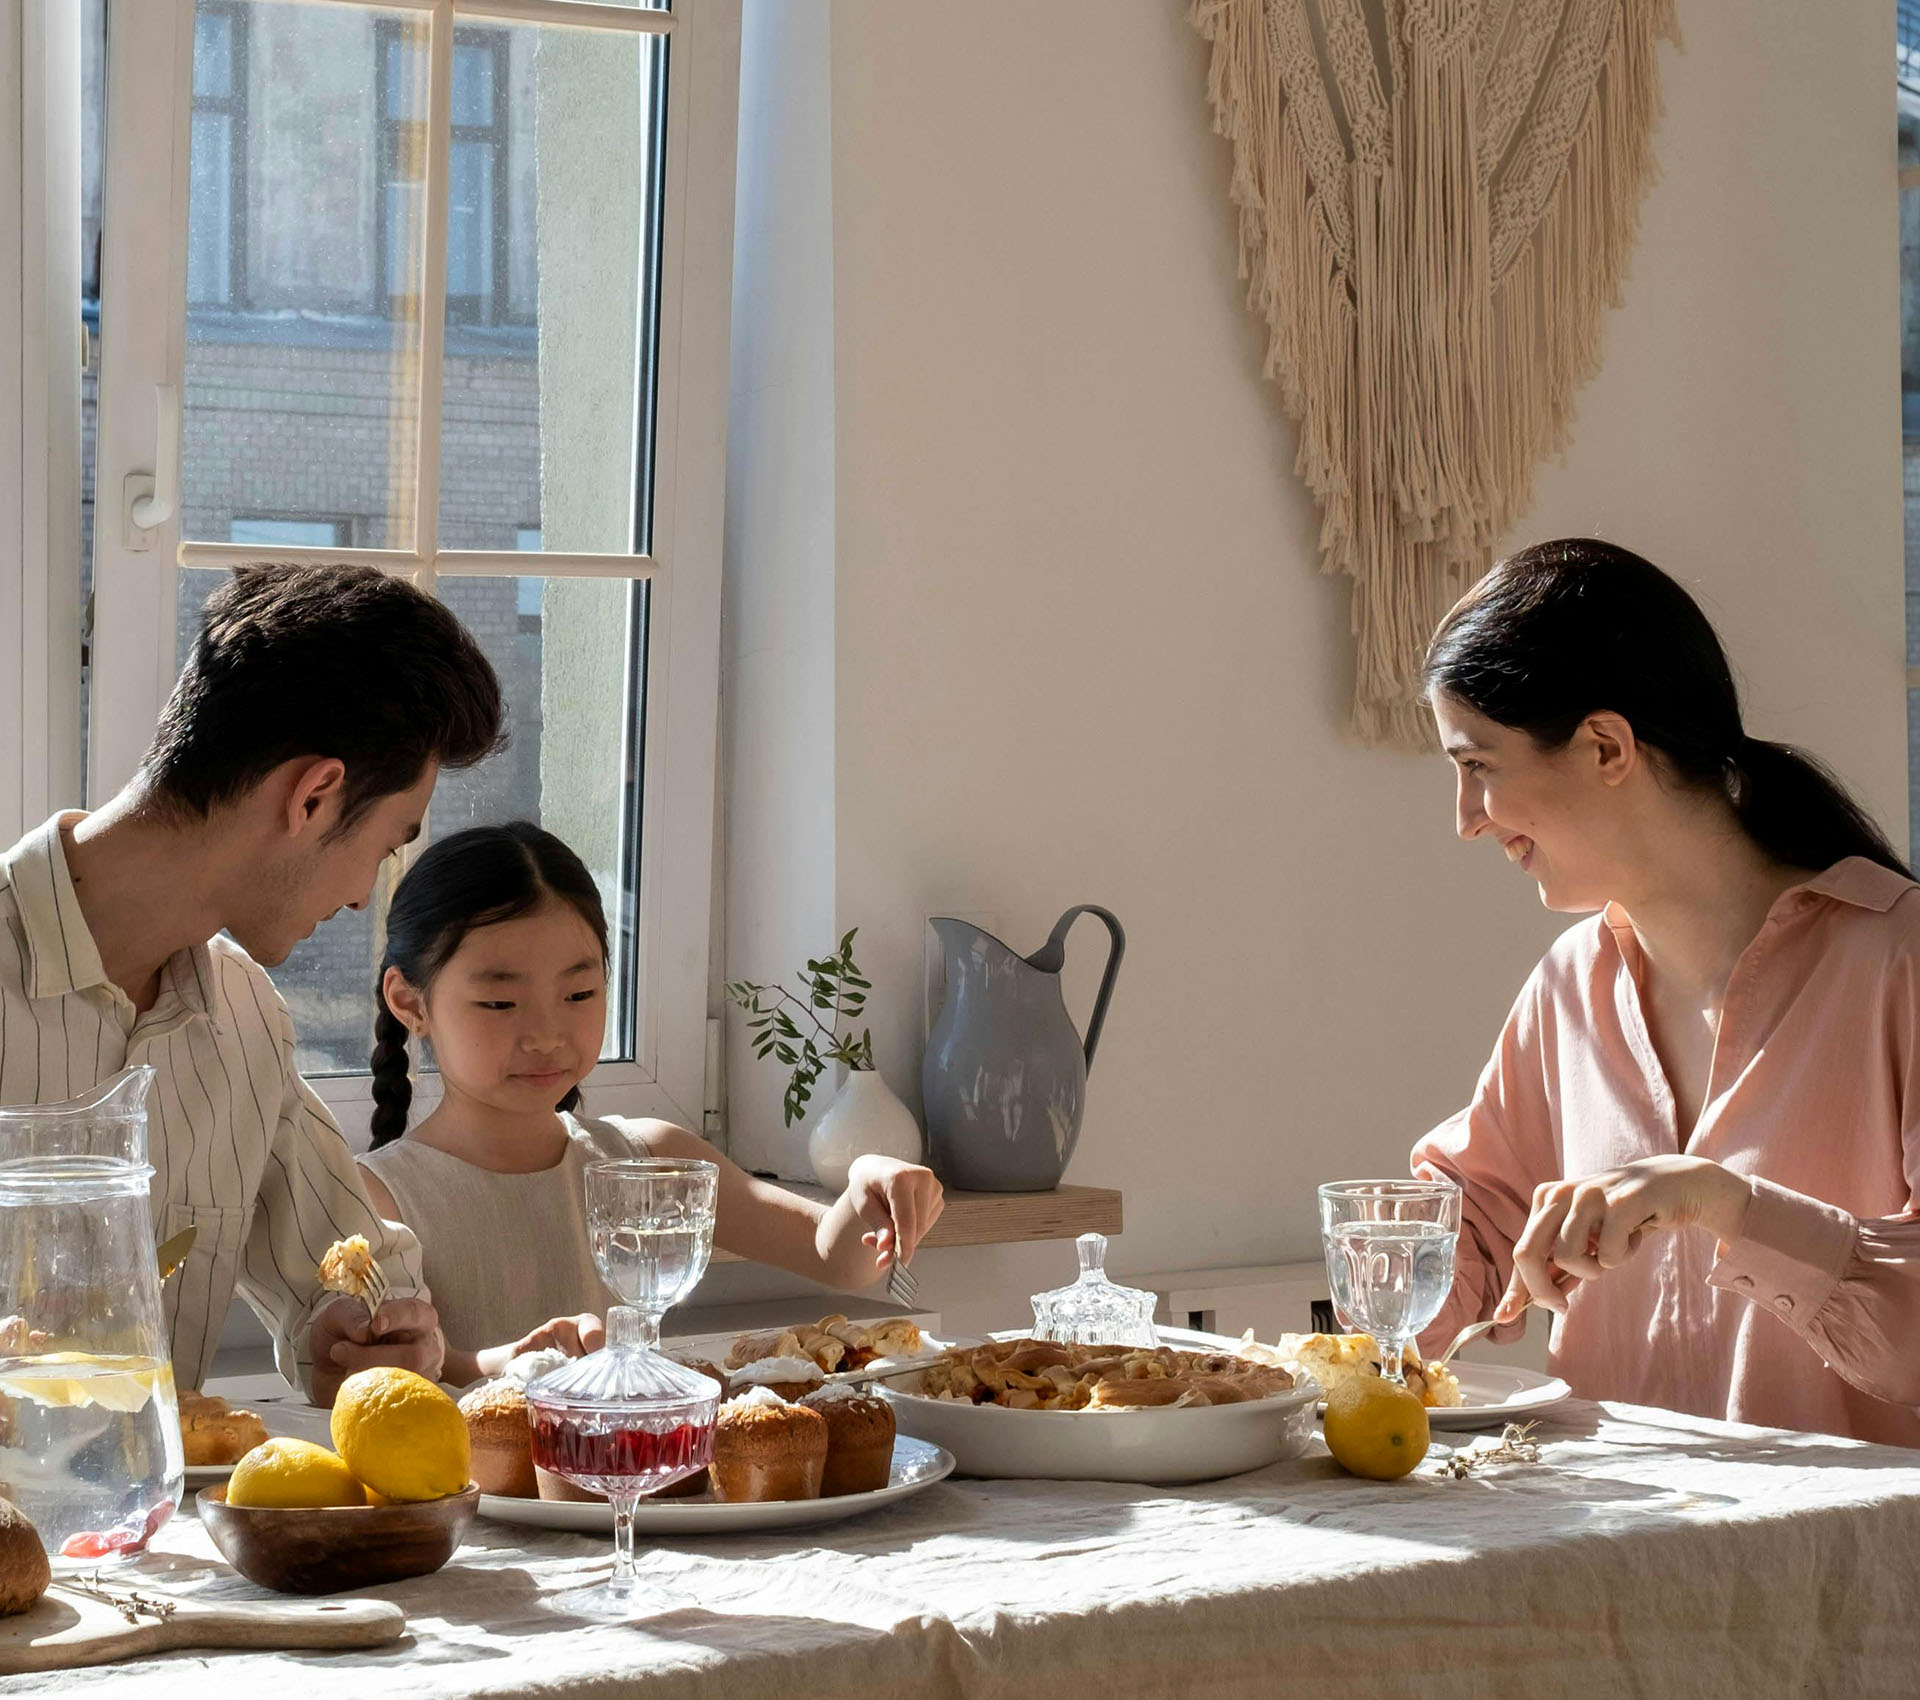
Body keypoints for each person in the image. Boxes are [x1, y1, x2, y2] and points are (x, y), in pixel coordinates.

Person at [1411, 538, 1920, 1447]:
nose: (1463, 820)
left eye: (1479, 766)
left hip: (1849, 1574)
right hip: (1620, 1568)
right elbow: (1476, 1225)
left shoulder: (1900, 963)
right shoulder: (1571, 982)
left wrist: (1722, 1202)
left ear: (1607, 745)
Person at [0, 562, 504, 1403]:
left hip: (145, 1533)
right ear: (313, 797)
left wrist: (360, 1339)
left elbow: (345, 1277)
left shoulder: (242, 1021)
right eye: (383, 847)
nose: (358, 897)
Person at [355, 822, 946, 1383]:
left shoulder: (649, 1159)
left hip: (644, 1486)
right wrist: (511, 1360)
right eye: (500, 1004)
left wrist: (870, 1181)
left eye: (578, 993)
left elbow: (837, 1259)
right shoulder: (380, 1195)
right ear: (411, 1001)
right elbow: (396, 1378)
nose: (545, 1034)